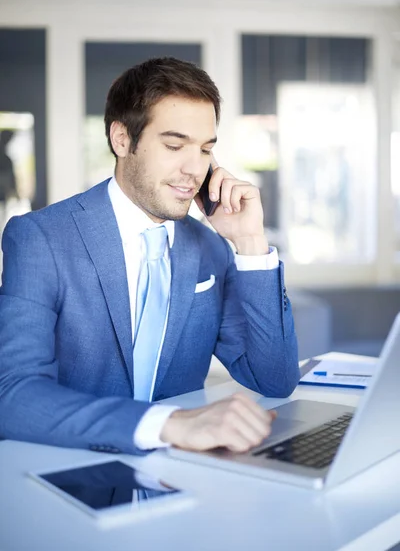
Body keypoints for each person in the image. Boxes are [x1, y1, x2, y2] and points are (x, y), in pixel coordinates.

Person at [0, 57, 299, 457]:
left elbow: (275, 378)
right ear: (122, 139)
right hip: (70, 468)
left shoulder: (211, 249)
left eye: (206, 149)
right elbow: (12, 395)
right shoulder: (41, 238)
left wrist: (250, 244)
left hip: (177, 477)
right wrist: (170, 425)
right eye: (175, 145)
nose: (195, 169)